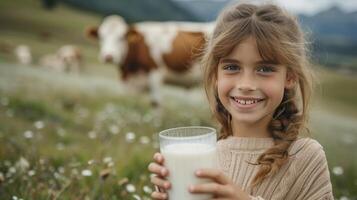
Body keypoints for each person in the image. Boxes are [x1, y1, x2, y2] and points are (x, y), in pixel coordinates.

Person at [148, 2, 334, 200]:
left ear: (290, 77)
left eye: (265, 69)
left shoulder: (306, 157)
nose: (246, 84)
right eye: (232, 67)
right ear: (215, 74)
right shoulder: (204, 155)